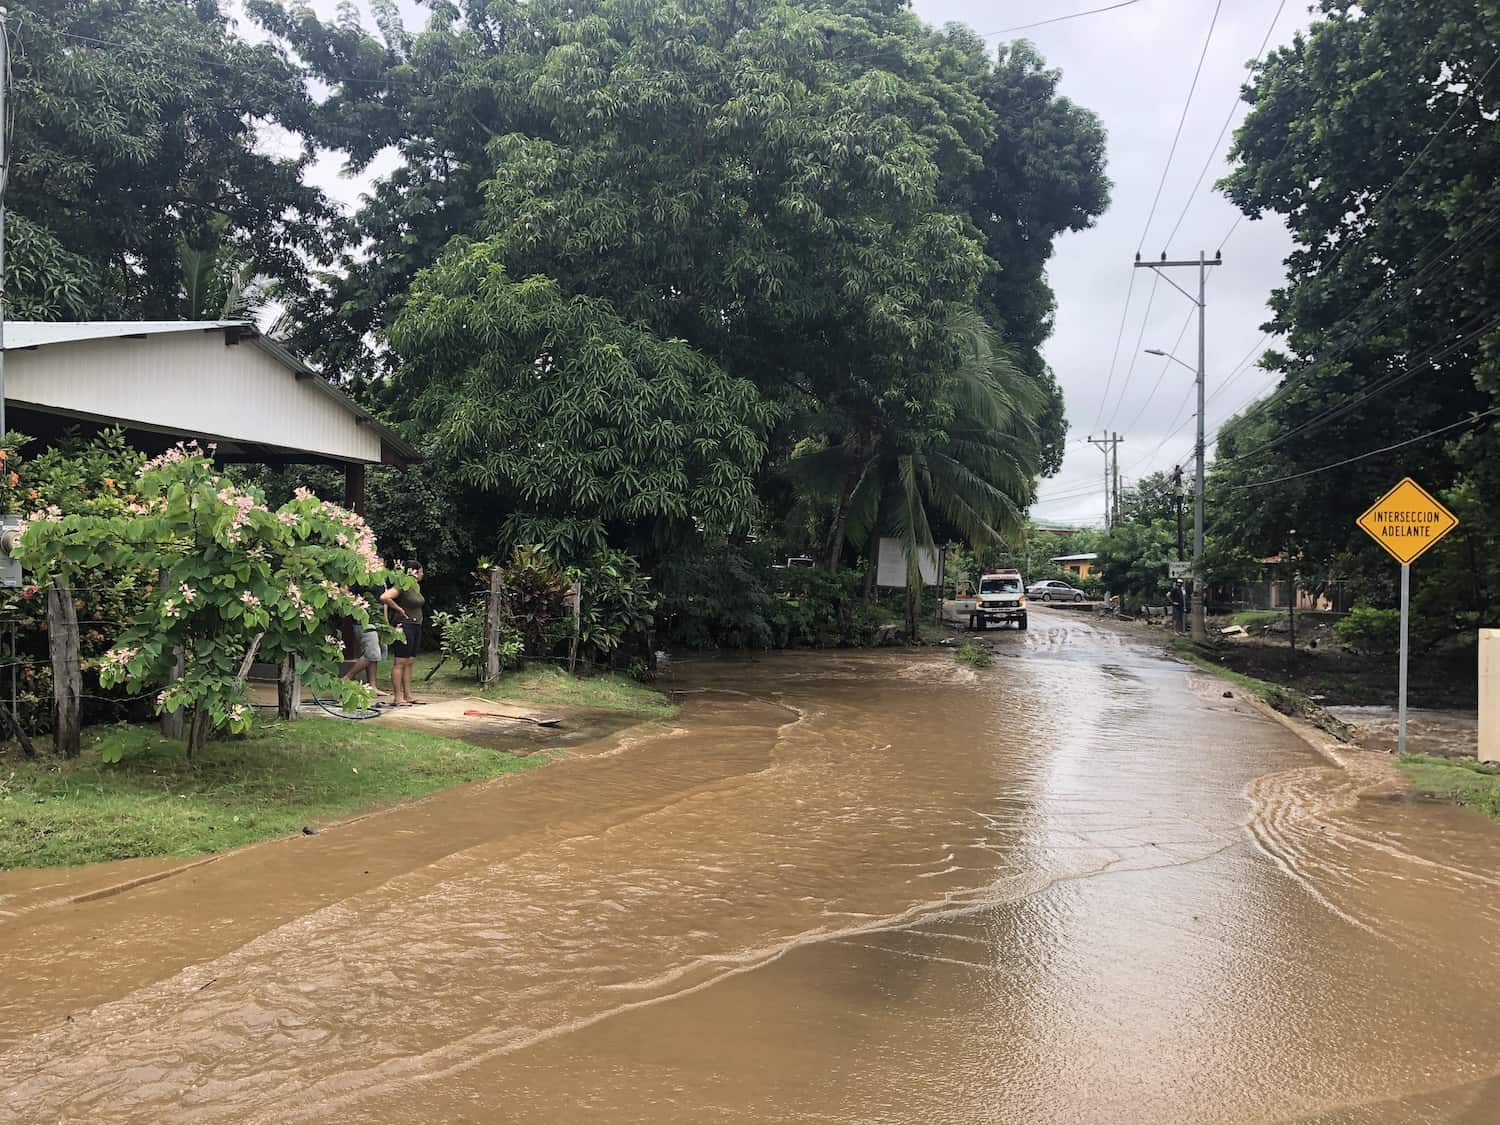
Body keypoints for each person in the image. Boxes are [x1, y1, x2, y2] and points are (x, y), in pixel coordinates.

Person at [382, 563, 426, 707]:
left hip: (415, 626)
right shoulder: (402, 584)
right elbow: (385, 597)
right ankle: (397, 697)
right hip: (404, 625)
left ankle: (408, 695)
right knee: (400, 662)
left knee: (409, 661)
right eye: (421, 571)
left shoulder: (415, 587)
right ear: (414, 572)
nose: (422, 574)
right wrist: (398, 609)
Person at [340, 587, 389, 697]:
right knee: (372, 653)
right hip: (363, 621)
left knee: (375, 653)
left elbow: (384, 602)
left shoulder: (381, 580)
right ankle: (346, 678)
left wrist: (385, 621)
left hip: (378, 621)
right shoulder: (361, 579)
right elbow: (343, 589)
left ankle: (372, 686)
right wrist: (357, 605)